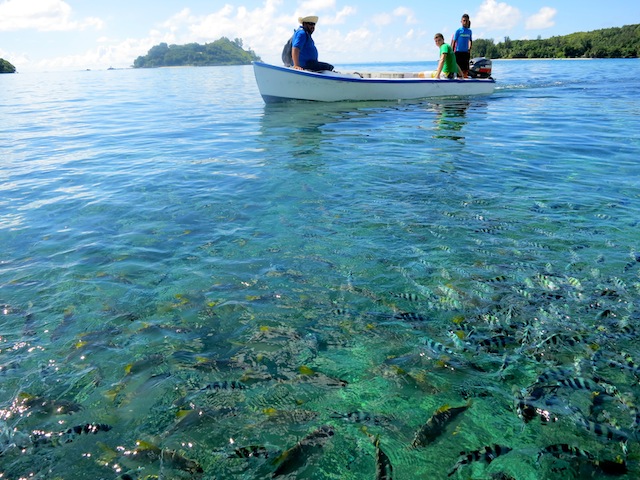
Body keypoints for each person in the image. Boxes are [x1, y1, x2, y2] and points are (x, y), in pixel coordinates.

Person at [451, 14, 473, 78]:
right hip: (458, 52)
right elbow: (454, 42)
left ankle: (465, 80)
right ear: (461, 21)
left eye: (466, 21)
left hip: (466, 53)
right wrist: (452, 52)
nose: (465, 22)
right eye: (464, 20)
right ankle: (459, 79)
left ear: (468, 21)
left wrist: (469, 49)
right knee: (458, 69)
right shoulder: (458, 31)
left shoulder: (469, 31)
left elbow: (470, 40)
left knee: (465, 69)